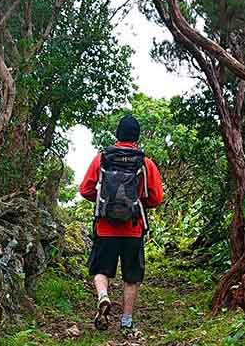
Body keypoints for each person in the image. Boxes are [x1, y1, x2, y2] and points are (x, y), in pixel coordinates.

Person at [78, 114, 163, 332]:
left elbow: (85, 189)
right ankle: (126, 321)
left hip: (105, 228)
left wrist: (103, 202)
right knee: (131, 277)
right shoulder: (145, 163)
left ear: (117, 134)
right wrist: (137, 203)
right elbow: (156, 198)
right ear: (137, 136)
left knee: (100, 269)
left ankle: (103, 295)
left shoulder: (102, 158)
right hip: (133, 229)